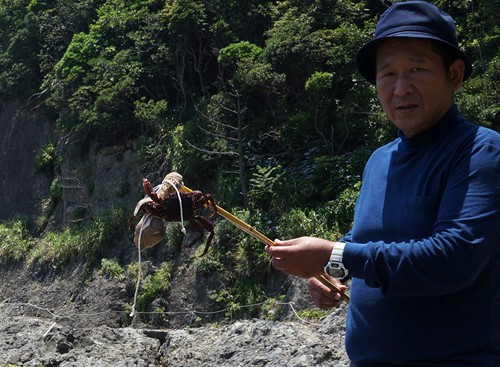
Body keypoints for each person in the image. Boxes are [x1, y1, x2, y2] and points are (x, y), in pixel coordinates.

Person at [265, 1, 500, 366]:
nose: (401, 88)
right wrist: (332, 269)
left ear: (454, 74)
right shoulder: (379, 161)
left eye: (417, 69)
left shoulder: (481, 152)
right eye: (387, 74)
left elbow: (453, 259)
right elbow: (367, 235)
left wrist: (335, 254)